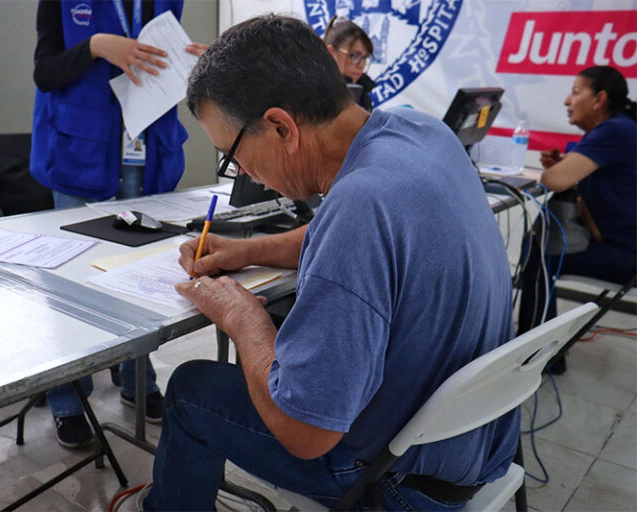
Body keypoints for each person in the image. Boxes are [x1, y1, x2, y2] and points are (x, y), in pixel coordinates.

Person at [141, 15, 519, 511]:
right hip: (473, 445)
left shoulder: (359, 206)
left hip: (395, 480)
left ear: (281, 127)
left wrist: (243, 317)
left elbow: (305, 434)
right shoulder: (419, 132)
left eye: (231, 154)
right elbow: (364, 237)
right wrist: (248, 250)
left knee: (193, 388)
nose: (242, 172)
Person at [29, 0, 205, 448]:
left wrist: (198, 66)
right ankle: (68, 400)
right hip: (80, 151)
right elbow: (45, 73)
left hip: (145, 153)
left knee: (142, 276)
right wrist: (94, 47)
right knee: (71, 285)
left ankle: (138, 381)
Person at [518, 66, 637, 372]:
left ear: (599, 99)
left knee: (538, 254)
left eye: (575, 91)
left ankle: (538, 356)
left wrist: (559, 171)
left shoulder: (614, 131)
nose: (567, 101)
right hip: (617, 243)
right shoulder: (618, 129)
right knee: (539, 247)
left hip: (628, 255)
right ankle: (537, 344)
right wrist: (569, 170)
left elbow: (553, 180)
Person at [324, 15, 375, 111]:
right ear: (331, 52)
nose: (361, 65)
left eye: (365, 57)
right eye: (354, 56)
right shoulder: (313, 93)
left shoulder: (363, 95)